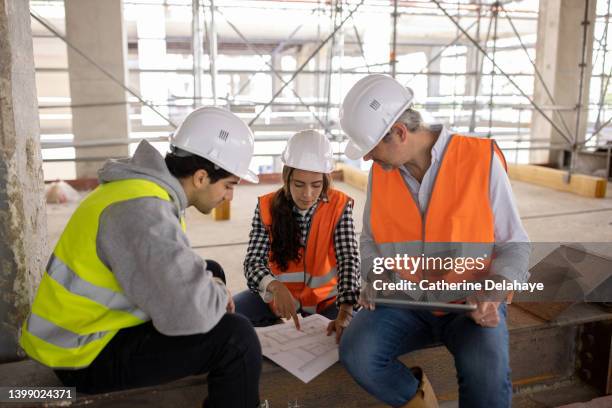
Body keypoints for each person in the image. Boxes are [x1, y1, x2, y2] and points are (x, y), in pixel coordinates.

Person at [20, 107, 263, 408]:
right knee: (237, 339)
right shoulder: (142, 210)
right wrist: (216, 292)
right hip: (83, 357)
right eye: (229, 185)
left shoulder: (141, 189)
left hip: (89, 332)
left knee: (209, 271)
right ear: (201, 177)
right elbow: (192, 311)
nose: (230, 197)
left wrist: (210, 285)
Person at [337, 74, 531, 408]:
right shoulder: (382, 174)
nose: (367, 158)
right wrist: (375, 275)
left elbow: (515, 244)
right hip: (404, 302)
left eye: (371, 148)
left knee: (488, 377)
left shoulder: (479, 159)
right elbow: (369, 241)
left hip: (468, 305)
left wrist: (494, 289)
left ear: (399, 133)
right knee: (358, 352)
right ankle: (421, 400)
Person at [234, 130, 360, 343]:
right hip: (275, 298)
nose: (307, 194)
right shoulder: (266, 207)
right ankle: (273, 324)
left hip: (325, 301)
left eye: (316, 185)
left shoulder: (339, 206)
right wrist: (273, 286)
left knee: (354, 335)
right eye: (299, 184)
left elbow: (349, 259)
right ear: (286, 179)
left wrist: (346, 310)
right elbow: (253, 262)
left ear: (326, 181)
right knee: (226, 319)